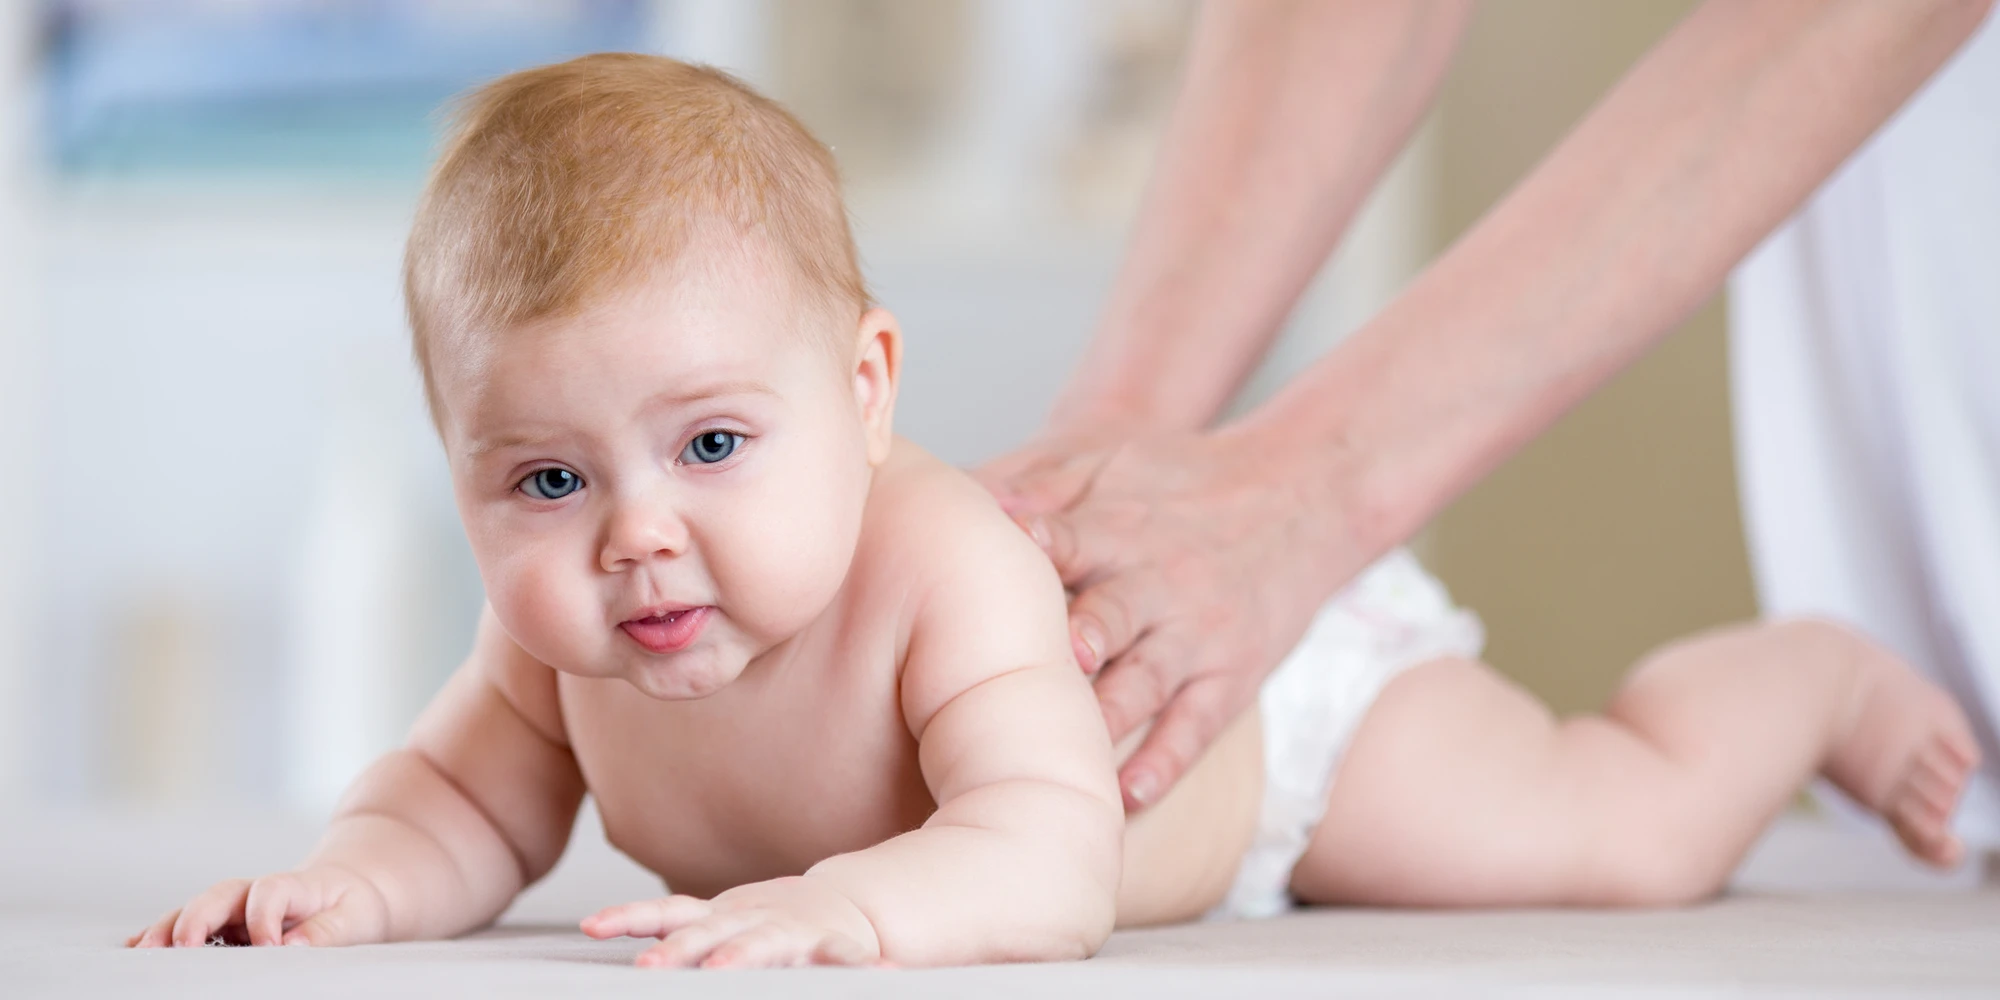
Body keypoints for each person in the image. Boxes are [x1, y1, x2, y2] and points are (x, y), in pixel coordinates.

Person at [128, 53, 1977, 969]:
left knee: (1610, 830)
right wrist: (338, 893)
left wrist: (852, 914)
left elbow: (1050, 853)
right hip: (1196, 690)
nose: (635, 536)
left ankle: (1794, 683)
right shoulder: (562, 649)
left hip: (1278, 714)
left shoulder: (937, 574)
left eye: (709, 447)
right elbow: (460, 808)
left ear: (864, 392)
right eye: (546, 479)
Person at [978, 0, 2000, 825]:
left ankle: (1821, 683)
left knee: (1610, 806)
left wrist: (1299, 490)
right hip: (1196, 626)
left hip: (1311, 711)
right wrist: (1116, 432)